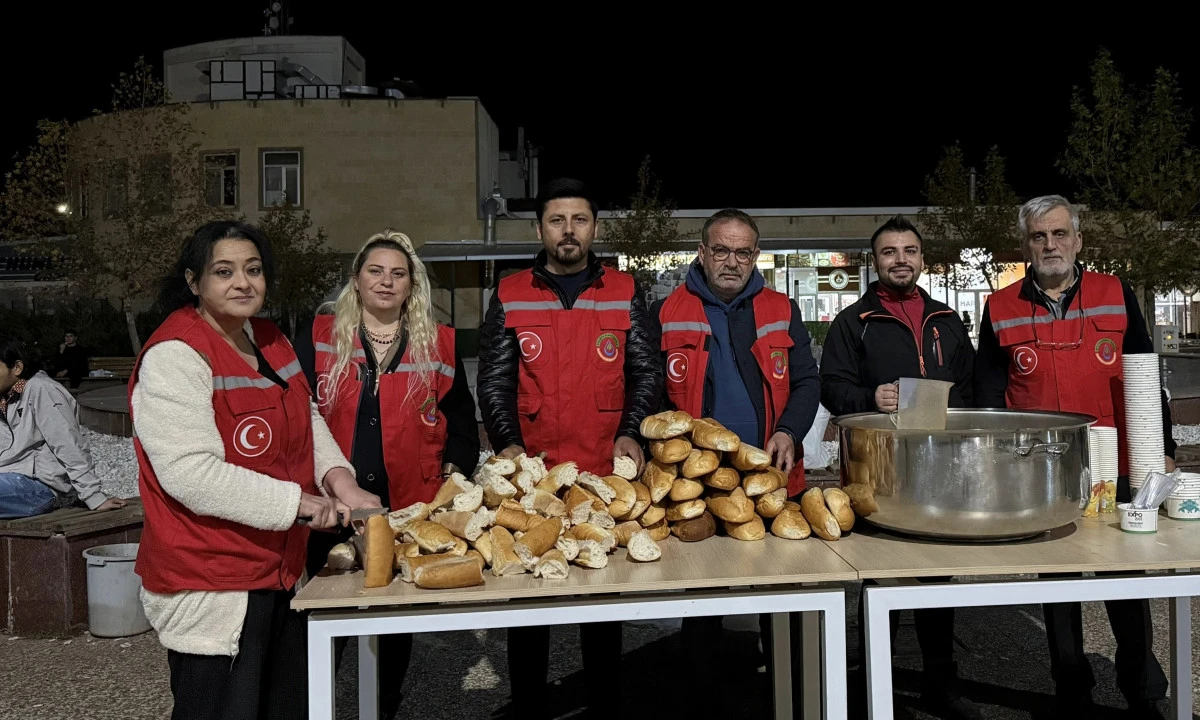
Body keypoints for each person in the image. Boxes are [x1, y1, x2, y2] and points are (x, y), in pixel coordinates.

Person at [129, 220, 366, 720]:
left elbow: (306, 416)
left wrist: (340, 480)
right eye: (224, 271)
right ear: (194, 282)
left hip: (277, 571)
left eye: (253, 270)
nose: (243, 283)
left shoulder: (269, 337)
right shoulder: (175, 355)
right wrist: (299, 504)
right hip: (213, 579)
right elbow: (189, 472)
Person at [974, 195, 1172, 719]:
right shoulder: (1000, 307)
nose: (1050, 245)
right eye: (1039, 237)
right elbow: (989, 397)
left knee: (1127, 583)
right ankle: (1072, 692)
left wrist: (1166, 449)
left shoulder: (1114, 292)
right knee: (1059, 586)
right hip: (1039, 469)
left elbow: (1145, 375)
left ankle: (1142, 693)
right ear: (1025, 245)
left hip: (1116, 465)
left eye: (1060, 234)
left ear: (1079, 240)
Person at [477, 178, 662, 719]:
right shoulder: (511, 292)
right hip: (533, 477)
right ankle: (530, 707)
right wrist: (508, 444)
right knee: (528, 608)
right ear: (540, 229)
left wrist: (632, 428)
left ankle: (603, 705)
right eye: (557, 220)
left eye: (579, 220)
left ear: (595, 228)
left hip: (604, 472)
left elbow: (645, 372)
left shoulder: (626, 290)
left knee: (602, 604)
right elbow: (494, 380)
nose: (568, 231)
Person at [294, 230, 480, 719]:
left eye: (398, 273)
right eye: (375, 271)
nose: (386, 281)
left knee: (394, 620)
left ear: (411, 285)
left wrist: (454, 473)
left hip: (407, 504)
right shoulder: (318, 338)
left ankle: (384, 707)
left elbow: (461, 416)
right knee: (325, 613)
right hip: (333, 505)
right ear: (356, 280)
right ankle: (316, 705)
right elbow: (297, 416)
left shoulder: (438, 342)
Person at [650, 208, 821, 715]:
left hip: (772, 476)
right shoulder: (666, 311)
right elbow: (652, 391)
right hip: (699, 483)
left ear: (756, 255)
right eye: (720, 250)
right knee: (704, 596)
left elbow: (807, 382)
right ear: (701, 253)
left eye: (742, 252)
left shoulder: (780, 308)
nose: (731, 261)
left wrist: (790, 430)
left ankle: (785, 692)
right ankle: (703, 698)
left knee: (782, 592)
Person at [820, 214, 981, 720]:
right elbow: (831, 387)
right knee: (877, 577)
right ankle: (873, 681)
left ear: (922, 259)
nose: (900, 260)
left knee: (937, 577)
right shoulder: (853, 322)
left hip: (941, 467)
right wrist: (872, 396)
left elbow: (972, 386)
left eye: (909, 251)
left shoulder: (948, 319)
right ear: (875, 261)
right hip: (877, 465)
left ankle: (940, 681)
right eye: (889, 252)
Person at [0, 336, 125, 518]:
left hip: (39, 486)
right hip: (9, 480)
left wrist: (93, 496)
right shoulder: (4, 398)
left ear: (17, 368)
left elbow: (68, 442)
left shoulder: (41, 389)